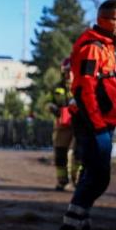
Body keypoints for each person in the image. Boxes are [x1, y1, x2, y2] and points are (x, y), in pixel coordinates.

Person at [54, 0, 116, 230]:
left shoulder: (106, 46)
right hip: (93, 125)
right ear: (102, 18)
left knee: (93, 177)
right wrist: (96, 125)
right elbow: (84, 89)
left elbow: (107, 85)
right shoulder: (93, 47)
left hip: (102, 123)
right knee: (96, 178)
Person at [47, 58, 80, 191]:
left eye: (71, 72)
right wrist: (52, 107)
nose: (69, 75)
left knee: (79, 153)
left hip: (79, 124)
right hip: (63, 125)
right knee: (60, 152)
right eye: (66, 72)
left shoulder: (82, 85)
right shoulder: (57, 88)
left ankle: (77, 181)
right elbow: (47, 101)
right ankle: (62, 181)